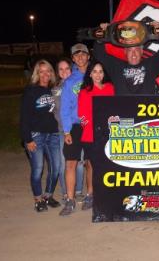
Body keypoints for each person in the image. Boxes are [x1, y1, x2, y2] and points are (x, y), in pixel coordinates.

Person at [20, 59, 61, 212]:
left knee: (56, 168)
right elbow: (24, 116)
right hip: (35, 135)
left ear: (51, 73)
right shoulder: (31, 90)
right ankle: (38, 199)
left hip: (53, 134)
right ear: (37, 73)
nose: (45, 74)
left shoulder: (54, 90)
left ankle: (47, 196)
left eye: (47, 71)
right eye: (41, 71)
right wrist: (27, 139)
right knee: (38, 168)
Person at [59, 43, 92, 216]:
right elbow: (64, 107)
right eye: (76, 55)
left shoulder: (96, 75)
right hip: (74, 126)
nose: (80, 57)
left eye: (83, 54)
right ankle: (70, 200)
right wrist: (66, 131)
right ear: (73, 58)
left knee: (89, 162)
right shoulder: (69, 81)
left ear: (88, 56)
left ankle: (90, 195)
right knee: (70, 163)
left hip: (91, 125)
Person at [77, 61, 115, 214]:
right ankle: (90, 194)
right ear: (90, 74)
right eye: (95, 71)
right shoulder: (85, 91)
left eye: (100, 71)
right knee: (91, 165)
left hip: (107, 133)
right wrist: (91, 124)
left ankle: (106, 194)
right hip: (90, 134)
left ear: (104, 74)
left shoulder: (110, 88)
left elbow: (113, 109)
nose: (98, 74)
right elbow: (82, 115)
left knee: (107, 165)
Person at [93, 22, 159, 95]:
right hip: (123, 109)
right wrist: (101, 35)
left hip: (145, 108)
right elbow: (99, 55)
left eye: (137, 49)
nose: (134, 53)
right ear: (125, 52)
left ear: (141, 51)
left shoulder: (151, 66)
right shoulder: (116, 67)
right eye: (130, 50)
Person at [52, 58, 85, 203]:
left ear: (71, 70)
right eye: (61, 69)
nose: (64, 71)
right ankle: (66, 192)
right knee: (63, 163)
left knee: (80, 162)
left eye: (67, 68)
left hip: (76, 128)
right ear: (57, 72)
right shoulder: (55, 89)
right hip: (62, 131)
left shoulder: (76, 84)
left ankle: (78, 191)